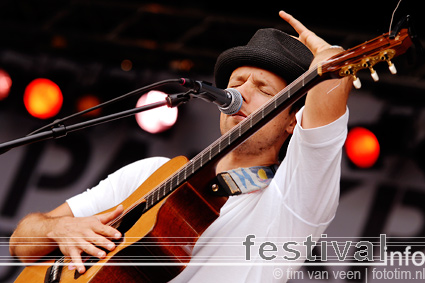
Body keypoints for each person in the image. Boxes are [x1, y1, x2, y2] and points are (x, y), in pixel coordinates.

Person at [9, 11, 352, 282]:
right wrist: (58, 229)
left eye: (263, 88)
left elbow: (326, 116)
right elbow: (21, 242)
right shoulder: (153, 173)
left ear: (293, 119)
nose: (241, 93)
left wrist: (333, 62)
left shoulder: (291, 204)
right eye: (236, 82)